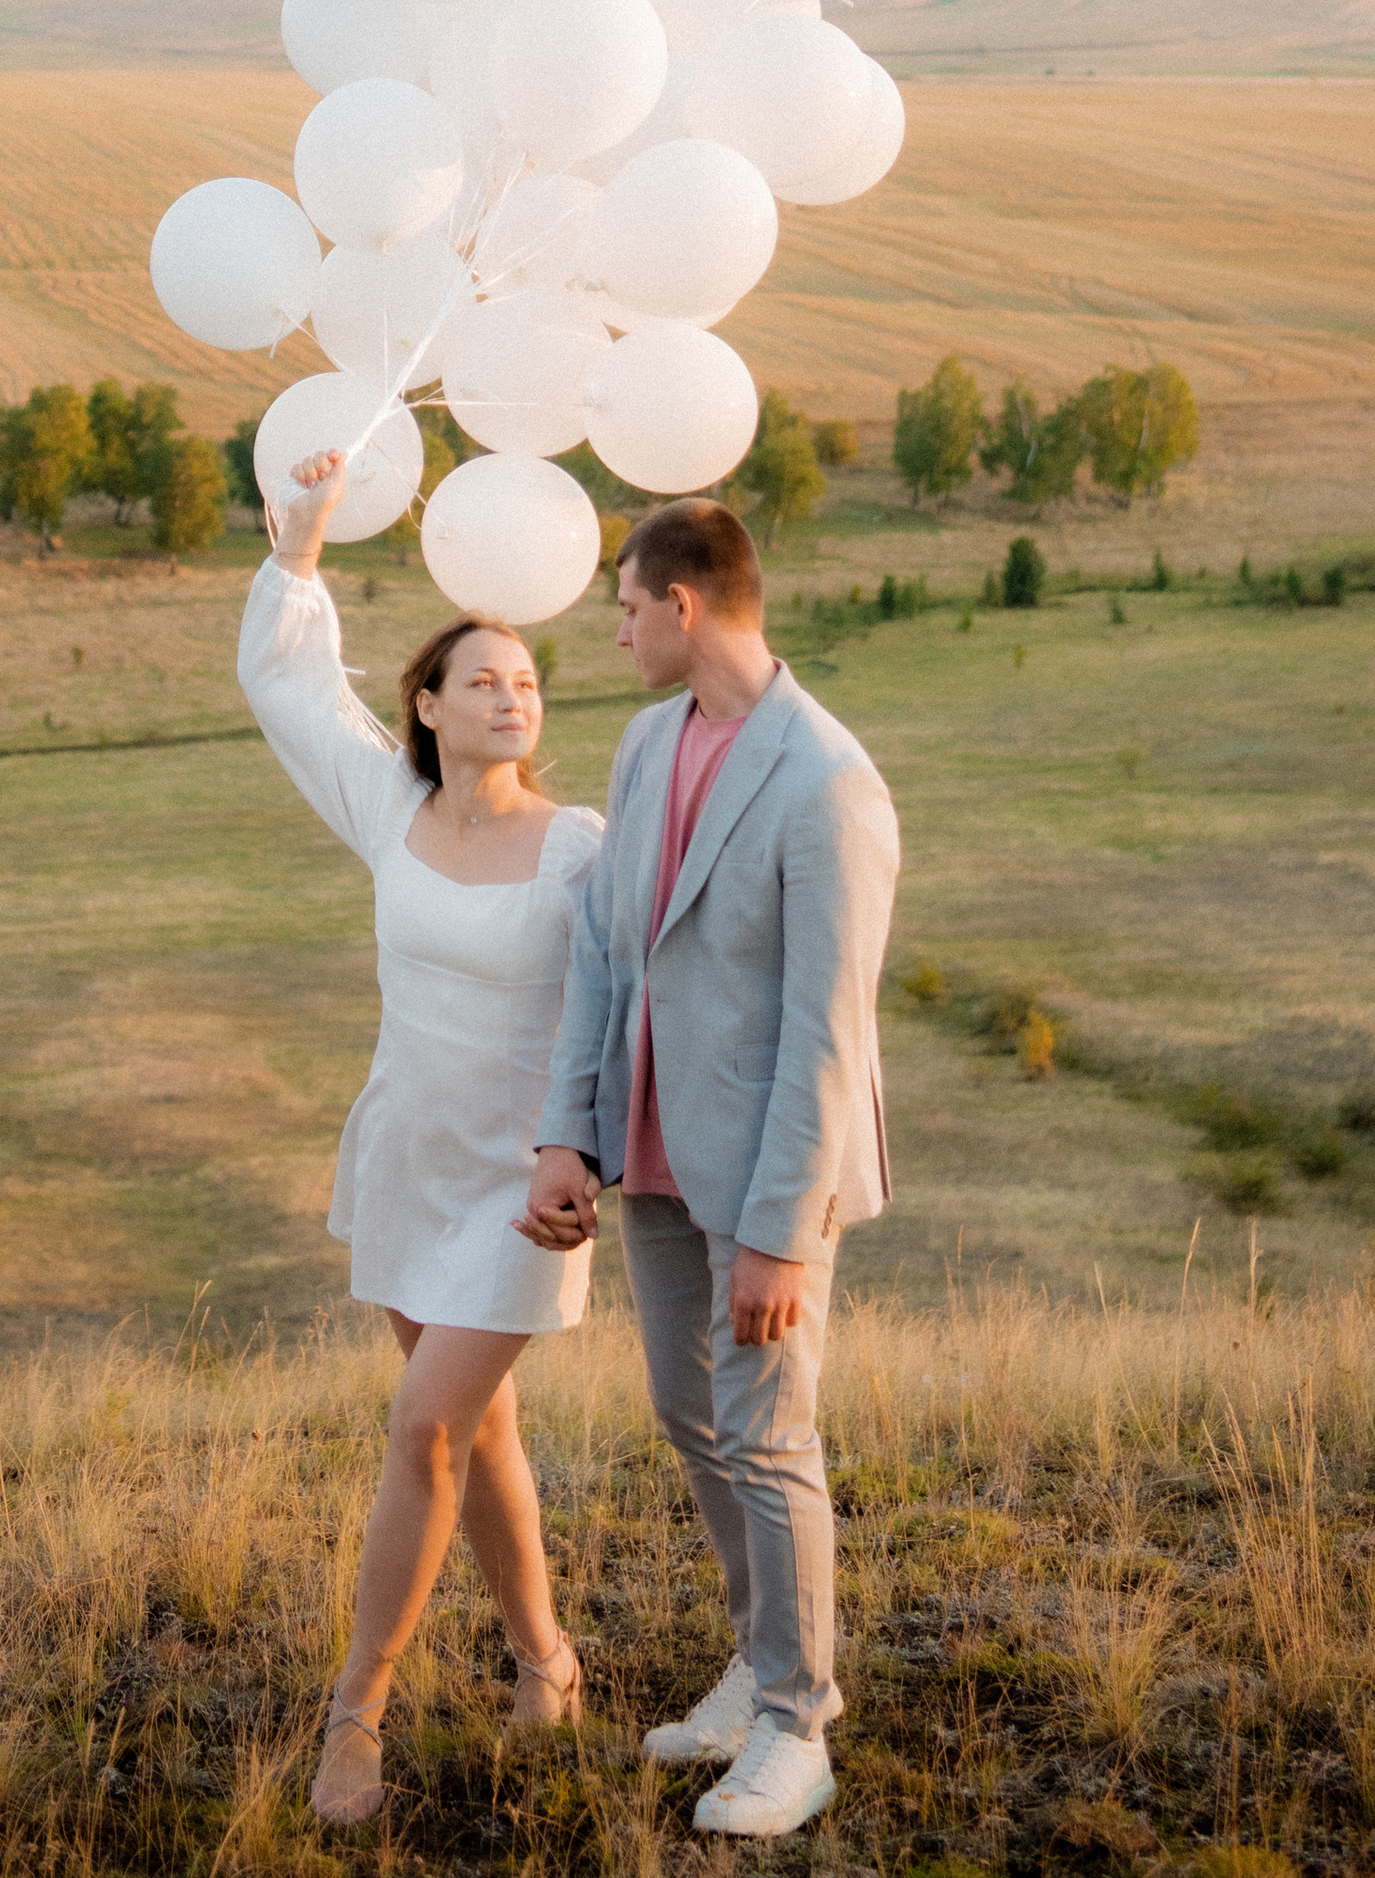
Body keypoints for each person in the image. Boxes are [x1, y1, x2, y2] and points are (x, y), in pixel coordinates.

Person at [519, 495, 901, 1840]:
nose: (616, 630)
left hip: (764, 1182)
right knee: (691, 1417)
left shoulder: (827, 780)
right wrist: (568, 1126)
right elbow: (607, 945)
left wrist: (786, 1233)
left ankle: (799, 1725)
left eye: (626, 607)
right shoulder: (642, 744)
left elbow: (827, 1028)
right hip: (653, 1155)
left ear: (685, 604)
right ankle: (755, 1661)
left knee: (769, 1431)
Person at [240, 446, 604, 1829]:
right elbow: (289, 690)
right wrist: (302, 550)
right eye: (486, 677)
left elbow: (635, 993)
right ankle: (544, 1657)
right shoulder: (389, 812)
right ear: (430, 704)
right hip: (405, 1156)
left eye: (529, 678)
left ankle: (357, 1712)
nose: (514, 693)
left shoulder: (580, 844)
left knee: (425, 1431)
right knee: (479, 1431)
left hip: (522, 1193)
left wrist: (593, 1154)